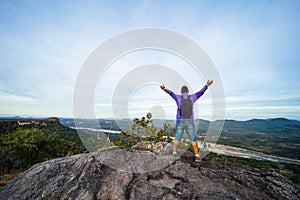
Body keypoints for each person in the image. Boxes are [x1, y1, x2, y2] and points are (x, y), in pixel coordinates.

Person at [160, 80, 213, 162]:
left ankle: (174, 153)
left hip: (180, 120)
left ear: (181, 92)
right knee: (193, 138)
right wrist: (206, 85)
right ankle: (197, 156)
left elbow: (171, 93)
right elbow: (201, 92)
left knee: (177, 137)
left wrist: (164, 89)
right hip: (190, 121)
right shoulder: (192, 97)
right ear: (188, 91)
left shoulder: (178, 97)